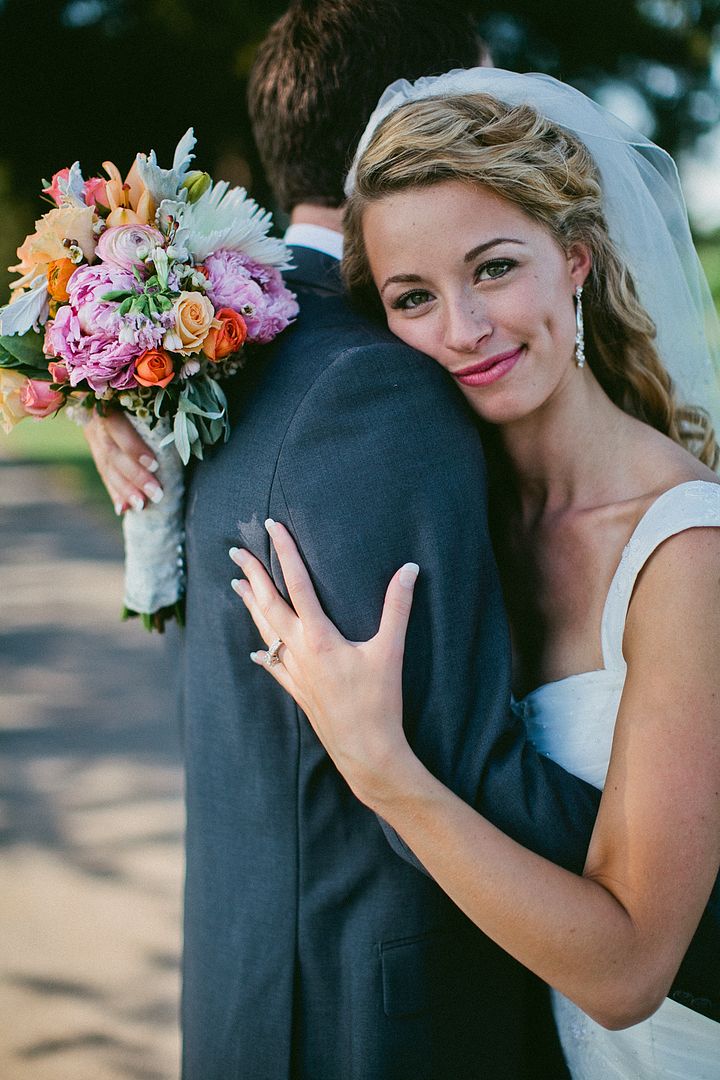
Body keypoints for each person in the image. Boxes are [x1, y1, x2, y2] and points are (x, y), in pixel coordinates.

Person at [229, 70, 720, 1078]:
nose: (462, 330)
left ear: (575, 259)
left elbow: (631, 969)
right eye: (414, 297)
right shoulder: (466, 516)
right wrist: (118, 413)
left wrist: (383, 770)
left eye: (494, 269)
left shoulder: (685, 553)